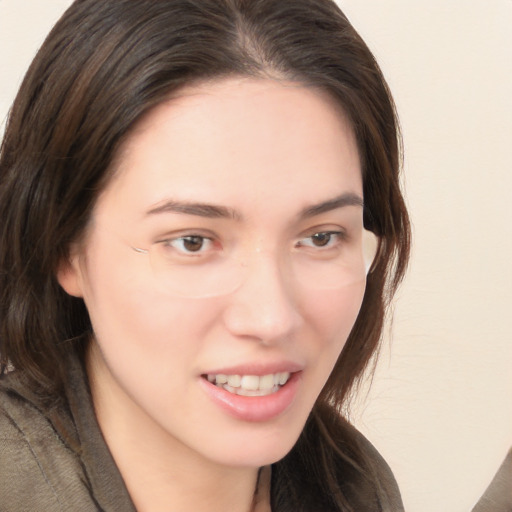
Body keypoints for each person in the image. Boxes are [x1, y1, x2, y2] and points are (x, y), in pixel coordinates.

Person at [0, 0, 411, 510]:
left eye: (321, 237)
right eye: (192, 241)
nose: (272, 318)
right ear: (64, 246)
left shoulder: (352, 487)